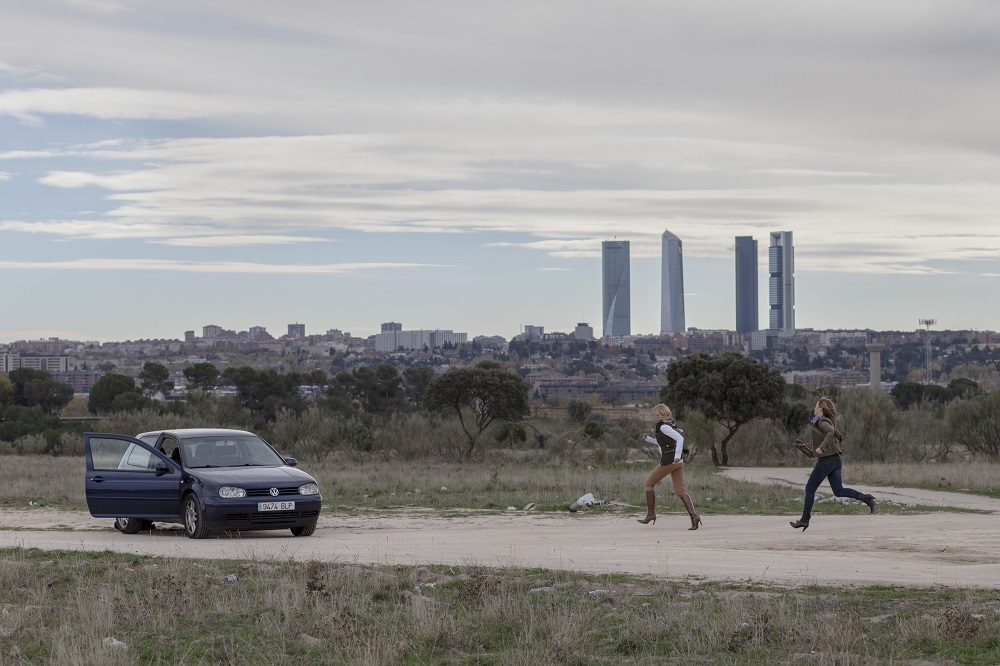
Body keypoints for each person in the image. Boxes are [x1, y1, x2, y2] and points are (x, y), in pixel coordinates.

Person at [791, 396, 876, 531]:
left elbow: (830, 432)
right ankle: (866, 498)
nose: (814, 408)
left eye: (816, 406)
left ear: (820, 409)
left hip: (825, 463)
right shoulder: (827, 421)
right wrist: (811, 447)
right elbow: (837, 434)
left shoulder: (822, 421)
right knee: (839, 491)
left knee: (809, 489)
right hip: (835, 461)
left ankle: (804, 520)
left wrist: (821, 448)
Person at [637, 404, 701, 529]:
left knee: (649, 484)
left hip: (670, 461)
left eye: (655, 415)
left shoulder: (664, 427)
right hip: (678, 463)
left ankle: (651, 514)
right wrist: (649, 439)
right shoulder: (667, 426)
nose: (653, 417)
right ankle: (694, 517)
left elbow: (680, 439)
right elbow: (664, 442)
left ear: (660, 415)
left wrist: (676, 455)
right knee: (680, 491)